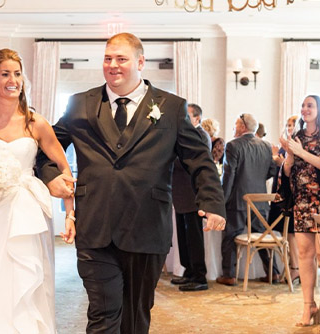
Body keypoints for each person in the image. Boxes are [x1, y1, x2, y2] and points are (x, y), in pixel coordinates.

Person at [37, 32, 226, 334]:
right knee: (103, 312)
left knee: (136, 316)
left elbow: (199, 161)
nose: (113, 65)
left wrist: (212, 202)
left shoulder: (172, 108)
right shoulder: (80, 104)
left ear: (140, 62)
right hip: (95, 226)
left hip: (147, 227)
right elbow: (44, 149)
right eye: (108, 58)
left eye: (121, 59)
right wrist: (51, 178)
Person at [0, 48, 74, 333]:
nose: (12, 80)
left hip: (24, 214)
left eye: (17, 74)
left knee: (23, 282)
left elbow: (65, 171)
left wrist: (70, 215)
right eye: (5, 74)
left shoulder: (36, 123)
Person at [216, 113, 279, 286]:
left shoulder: (233, 145)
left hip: (238, 201)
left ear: (243, 127)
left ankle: (229, 275)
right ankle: (272, 273)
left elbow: (228, 176)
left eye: (236, 124)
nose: (234, 127)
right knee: (263, 239)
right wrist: (256, 180)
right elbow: (273, 171)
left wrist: (223, 201)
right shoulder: (266, 146)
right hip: (260, 202)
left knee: (230, 237)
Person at [280, 95, 320, 327]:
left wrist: (302, 152)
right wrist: (289, 154)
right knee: (305, 255)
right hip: (302, 202)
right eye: (303, 106)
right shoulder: (296, 137)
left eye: (310, 105)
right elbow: (287, 173)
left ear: (319, 109)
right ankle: (308, 306)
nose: (305, 109)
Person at [171, 103, 212, 292]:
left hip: (192, 194)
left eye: (188, 116)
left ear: (197, 118)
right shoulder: (184, 135)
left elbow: (191, 161)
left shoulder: (201, 135)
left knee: (194, 237)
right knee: (184, 236)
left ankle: (199, 276)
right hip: (181, 194)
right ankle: (188, 271)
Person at [268, 115, 299, 285]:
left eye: (291, 125)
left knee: (291, 232)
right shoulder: (284, 146)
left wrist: (280, 162)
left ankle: (295, 268)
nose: (289, 128)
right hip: (279, 191)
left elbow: (293, 170)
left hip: (290, 194)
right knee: (285, 231)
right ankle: (292, 266)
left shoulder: (297, 145)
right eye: (287, 125)